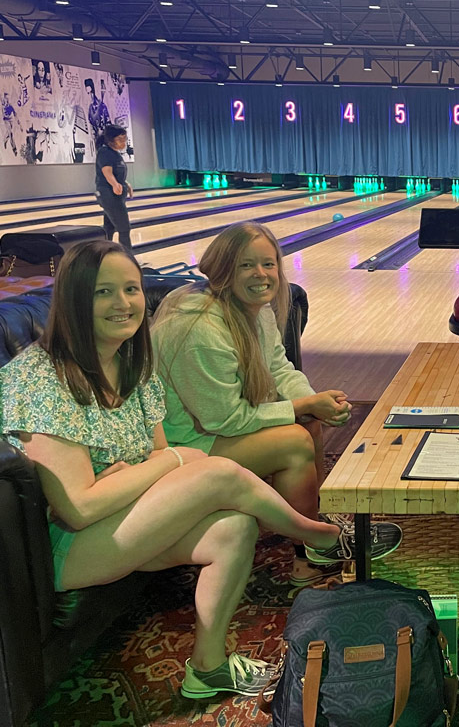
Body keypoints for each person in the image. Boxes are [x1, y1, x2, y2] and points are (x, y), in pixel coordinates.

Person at [0, 240, 358, 698]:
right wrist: (171, 461)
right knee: (213, 471)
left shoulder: (132, 363)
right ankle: (319, 536)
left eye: (130, 289)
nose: (124, 303)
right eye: (103, 292)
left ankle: (207, 668)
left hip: (124, 517)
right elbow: (80, 508)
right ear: (72, 298)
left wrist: (150, 468)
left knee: (233, 526)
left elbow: (154, 457)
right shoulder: (41, 378)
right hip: (66, 549)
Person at [151, 222, 402, 586]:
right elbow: (227, 420)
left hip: (213, 429)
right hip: (184, 444)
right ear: (223, 272)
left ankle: (316, 526)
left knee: (308, 423)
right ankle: (310, 550)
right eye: (246, 265)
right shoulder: (199, 332)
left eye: (268, 264)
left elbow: (279, 368)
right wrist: (302, 407)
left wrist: (313, 401)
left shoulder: (253, 310)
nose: (261, 274)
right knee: (295, 441)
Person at [94, 124, 133, 250]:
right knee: (124, 227)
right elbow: (107, 172)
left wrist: (125, 183)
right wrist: (115, 184)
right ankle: (128, 256)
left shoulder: (114, 153)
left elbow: (117, 173)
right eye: (120, 140)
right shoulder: (105, 152)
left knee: (109, 228)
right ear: (111, 140)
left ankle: (104, 253)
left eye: (125, 139)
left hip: (114, 194)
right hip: (109, 195)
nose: (123, 143)